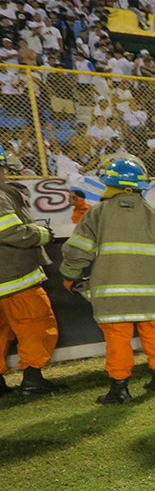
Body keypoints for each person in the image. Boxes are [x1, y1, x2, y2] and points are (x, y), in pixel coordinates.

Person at [60, 156, 155, 404]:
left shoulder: (96, 214)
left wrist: (70, 277)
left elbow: (78, 251)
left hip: (112, 294)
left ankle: (119, 389)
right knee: (154, 332)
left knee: (118, 338)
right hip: (153, 292)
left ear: (109, 183)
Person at [0, 144, 62, 396]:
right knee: (36, 326)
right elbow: (10, 231)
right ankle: (33, 378)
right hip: (15, 279)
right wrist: (42, 234)